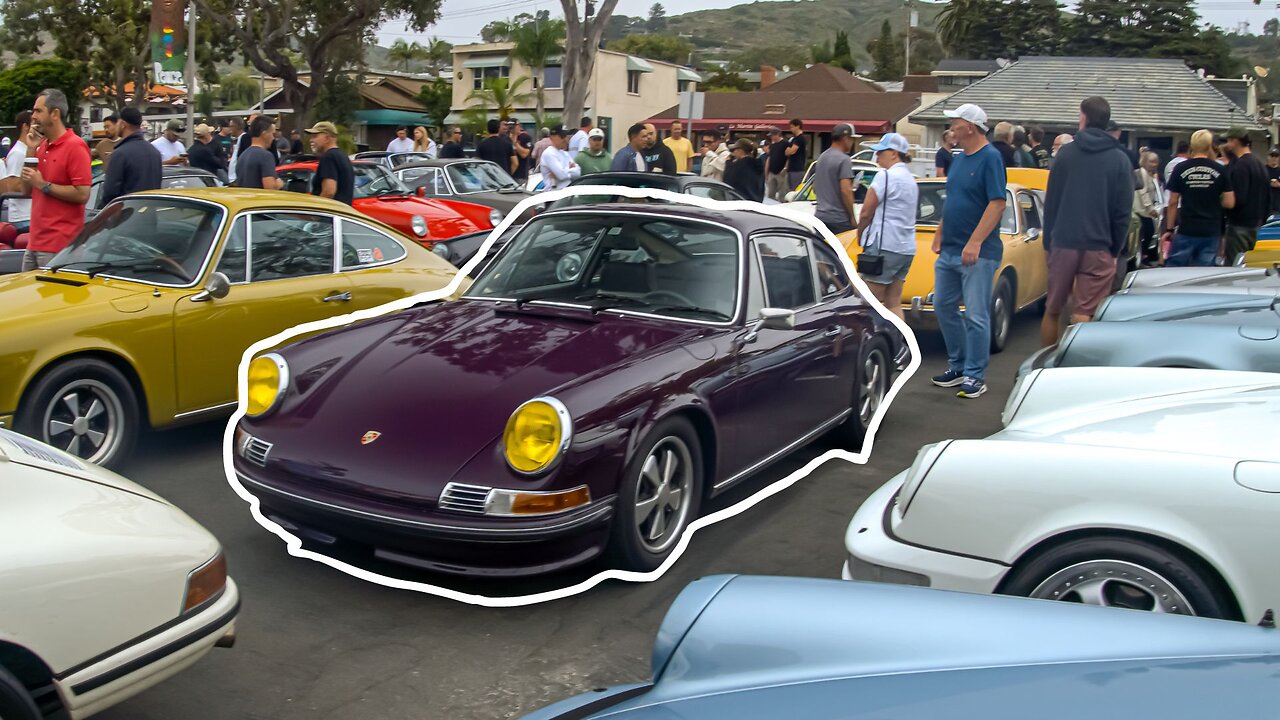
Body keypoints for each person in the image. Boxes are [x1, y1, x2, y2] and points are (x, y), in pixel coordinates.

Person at [1041, 96, 1135, 348]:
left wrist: (1049, 242)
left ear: (1083, 117)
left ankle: (1043, 368)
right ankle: (1074, 366)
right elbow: (1122, 211)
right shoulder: (1120, 160)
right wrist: (1114, 248)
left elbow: (1052, 202)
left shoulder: (1065, 155)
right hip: (1099, 244)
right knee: (1085, 313)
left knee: (1053, 309)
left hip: (1063, 241)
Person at [931, 103, 1006, 399]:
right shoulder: (959, 158)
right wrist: (939, 231)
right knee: (943, 306)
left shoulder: (991, 158)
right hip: (950, 248)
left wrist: (974, 241)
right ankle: (959, 365)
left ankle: (975, 375)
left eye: (956, 122)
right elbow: (953, 200)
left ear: (971, 127)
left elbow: (997, 203)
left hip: (979, 252)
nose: (951, 127)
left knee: (976, 314)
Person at [18, 89, 92, 271]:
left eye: (38, 111)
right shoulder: (40, 146)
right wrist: (30, 150)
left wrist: (43, 185)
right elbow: (25, 190)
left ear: (55, 114)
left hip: (60, 246)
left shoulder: (75, 146)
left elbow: (83, 194)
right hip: (34, 242)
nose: (33, 117)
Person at [854, 133, 918, 320]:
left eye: (881, 152)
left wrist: (860, 234)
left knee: (866, 299)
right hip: (906, 247)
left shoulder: (884, 177)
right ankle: (901, 341)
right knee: (894, 301)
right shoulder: (911, 179)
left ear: (893, 153)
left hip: (884, 246)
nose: (877, 156)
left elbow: (866, 211)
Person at [1163, 129, 1234, 267]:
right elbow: (1229, 202)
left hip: (1187, 228)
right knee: (1203, 273)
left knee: (1175, 270)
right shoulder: (1220, 170)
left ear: (1192, 145)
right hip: (1211, 229)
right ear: (1209, 146)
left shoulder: (1180, 168)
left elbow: (1172, 202)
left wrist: (1169, 229)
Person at [1222, 126, 1270, 264]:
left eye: (1229, 140)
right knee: (1248, 266)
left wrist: (1225, 206)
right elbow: (1268, 198)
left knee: (1234, 266)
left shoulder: (1241, 166)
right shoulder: (1260, 164)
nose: (1227, 144)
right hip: (1256, 225)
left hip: (1239, 225)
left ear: (1236, 141)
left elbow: (1239, 198)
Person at [812, 123, 861, 235]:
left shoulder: (821, 157)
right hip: (839, 220)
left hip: (820, 216)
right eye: (852, 139)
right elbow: (845, 191)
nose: (852, 142)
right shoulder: (844, 159)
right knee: (840, 251)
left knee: (821, 251)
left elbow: (815, 187)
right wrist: (852, 218)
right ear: (845, 138)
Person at [0, 111, 33, 241]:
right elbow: (12, 187)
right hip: (23, 218)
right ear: (25, 126)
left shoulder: (26, 150)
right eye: (34, 123)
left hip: (28, 216)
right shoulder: (18, 153)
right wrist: (38, 182)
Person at [306, 121, 354, 205]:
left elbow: (329, 192)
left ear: (327, 138)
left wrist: (316, 211)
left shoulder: (328, 157)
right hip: (343, 213)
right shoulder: (343, 156)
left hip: (331, 214)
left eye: (315, 136)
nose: (311, 140)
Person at [235, 115, 284, 190]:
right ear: (264, 134)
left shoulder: (242, 156)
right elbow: (270, 188)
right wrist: (279, 183)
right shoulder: (266, 156)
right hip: (260, 200)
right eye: (272, 134)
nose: (273, 138)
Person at [1134, 150, 1163, 264]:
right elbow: (1143, 192)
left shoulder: (1150, 174)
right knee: (1148, 233)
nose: (1154, 164)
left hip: (1144, 210)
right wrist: (1150, 208)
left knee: (1149, 233)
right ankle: (1145, 257)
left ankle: (1145, 257)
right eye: (1151, 162)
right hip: (1141, 210)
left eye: (1156, 162)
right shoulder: (1142, 173)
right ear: (1145, 161)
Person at [538, 126, 581, 191]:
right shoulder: (549, 153)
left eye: (566, 136)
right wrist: (570, 169)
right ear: (552, 137)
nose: (565, 139)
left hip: (566, 192)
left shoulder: (565, 153)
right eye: (562, 137)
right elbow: (562, 176)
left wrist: (564, 171)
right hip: (553, 194)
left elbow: (578, 173)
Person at [723, 138, 764, 202]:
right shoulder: (757, 164)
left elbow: (727, 181)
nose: (733, 152)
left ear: (740, 150)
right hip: (756, 202)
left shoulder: (740, 165)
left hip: (740, 201)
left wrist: (728, 163)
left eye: (735, 150)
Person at [763, 127, 789, 201]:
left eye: (772, 135)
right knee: (770, 194)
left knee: (782, 194)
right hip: (772, 172)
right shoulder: (772, 145)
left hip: (781, 172)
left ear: (778, 134)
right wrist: (766, 172)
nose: (771, 137)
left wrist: (785, 168)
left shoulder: (785, 144)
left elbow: (788, 158)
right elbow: (769, 158)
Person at [784, 118, 807, 190]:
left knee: (795, 189)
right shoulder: (793, 139)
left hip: (797, 169)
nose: (791, 129)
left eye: (792, 127)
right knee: (790, 189)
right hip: (791, 168)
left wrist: (789, 150)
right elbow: (786, 152)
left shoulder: (800, 138)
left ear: (798, 126)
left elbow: (792, 151)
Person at [1267, 147, 1280, 218]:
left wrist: (1278, 185)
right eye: (1272, 155)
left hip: (1278, 207)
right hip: (1265, 207)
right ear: (1268, 157)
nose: (1274, 158)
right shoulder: (1263, 170)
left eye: (1276, 156)